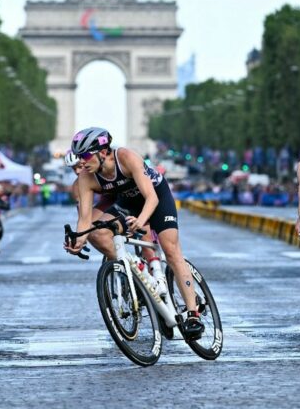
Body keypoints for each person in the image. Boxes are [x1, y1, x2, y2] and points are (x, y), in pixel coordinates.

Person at [63, 127, 205, 339]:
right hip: (126, 202)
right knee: (97, 231)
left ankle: (193, 314)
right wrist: (78, 240)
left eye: (85, 156)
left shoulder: (126, 157)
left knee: (171, 249)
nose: (81, 162)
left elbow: (152, 198)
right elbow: (85, 220)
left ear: (103, 152)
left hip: (155, 197)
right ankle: (133, 270)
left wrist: (141, 220)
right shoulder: (86, 176)